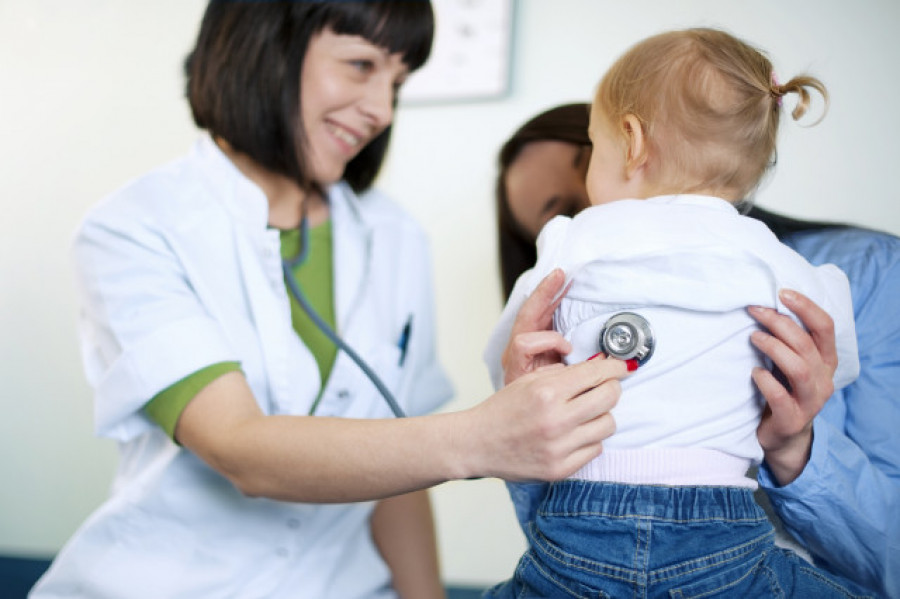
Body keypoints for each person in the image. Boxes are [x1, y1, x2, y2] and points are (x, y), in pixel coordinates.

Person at [30, 3, 632, 598]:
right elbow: (240, 449)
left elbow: (398, 473)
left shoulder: (393, 235)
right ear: (267, 45)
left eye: (397, 82)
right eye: (361, 64)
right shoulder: (137, 226)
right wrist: (483, 437)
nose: (381, 110)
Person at [484, 28, 873, 597]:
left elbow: (506, 368)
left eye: (590, 147)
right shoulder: (772, 258)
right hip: (723, 525)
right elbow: (829, 353)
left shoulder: (573, 241)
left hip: (578, 522)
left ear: (632, 141)